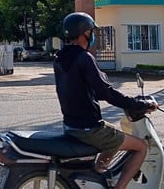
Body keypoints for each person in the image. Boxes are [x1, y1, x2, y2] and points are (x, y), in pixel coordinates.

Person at [54, 12, 158, 189]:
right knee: (141, 147)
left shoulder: (61, 58)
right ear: (85, 33)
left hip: (71, 125)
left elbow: (85, 89)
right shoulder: (84, 58)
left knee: (114, 133)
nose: (93, 34)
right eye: (91, 31)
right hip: (89, 128)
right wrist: (139, 104)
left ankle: (99, 172)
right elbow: (106, 93)